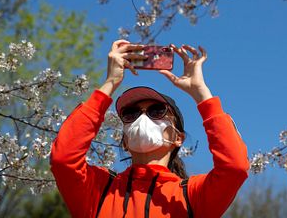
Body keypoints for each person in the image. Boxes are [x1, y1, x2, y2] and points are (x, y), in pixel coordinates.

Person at [50, 40, 249, 218]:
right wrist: (110, 83)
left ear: (178, 138)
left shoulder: (191, 196)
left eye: (157, 111)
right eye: (131, 114)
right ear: (125, 141)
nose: (142, 117)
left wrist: (201, 93)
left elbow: (234, 167)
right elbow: (63, 159)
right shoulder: (99, 190)